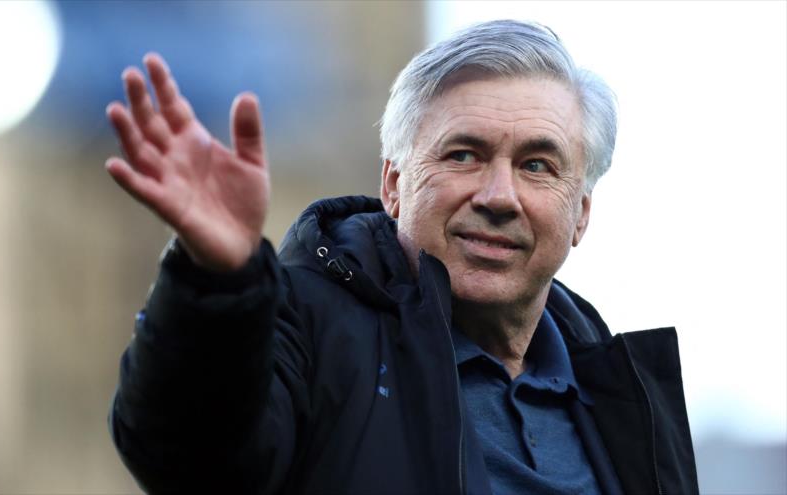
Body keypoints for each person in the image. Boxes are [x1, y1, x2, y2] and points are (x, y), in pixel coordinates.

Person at [105, 20, 698, 494]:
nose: (497, 197)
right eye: (463, 155)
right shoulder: (302, 324)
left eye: (537, 166)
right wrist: (216, 282)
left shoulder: (621, 387)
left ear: (581, 214)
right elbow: (190, 458)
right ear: (393, 185)